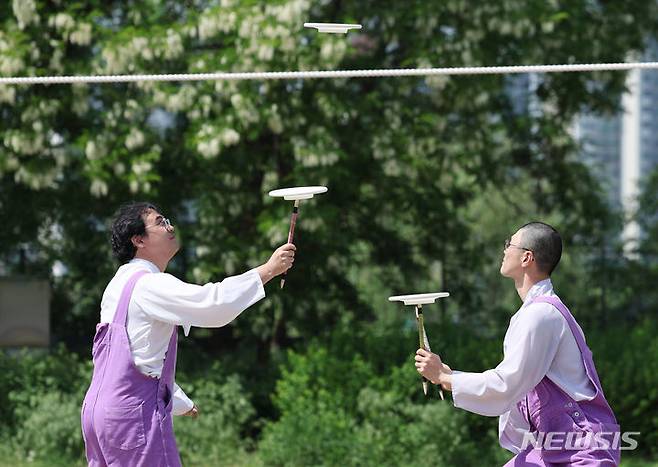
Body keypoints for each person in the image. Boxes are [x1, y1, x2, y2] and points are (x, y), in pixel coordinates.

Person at [81, 201, 296, 466]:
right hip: (131, 416)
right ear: (138, 239)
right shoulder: (150, 284)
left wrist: (178, 401)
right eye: (160, 222)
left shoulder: (117, 285)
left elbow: (131, 360)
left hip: (97, 414)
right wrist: (268, 270)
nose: (170, 226)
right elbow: (212, 304)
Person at [415, 222, 620, 466]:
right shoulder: (538, 312)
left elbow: (506, 386)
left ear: (526, 257)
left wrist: (445, 378)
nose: (504, 251)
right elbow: (514, 389)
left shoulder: (540, 315)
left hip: (581, 453)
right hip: (553, 449)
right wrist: (449, 376)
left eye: (508, 244)